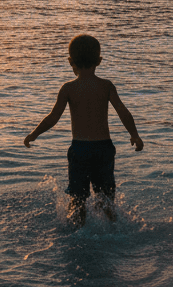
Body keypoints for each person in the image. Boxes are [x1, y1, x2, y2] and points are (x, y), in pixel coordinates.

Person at [24, 34, 144, 227]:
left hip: (80, 150)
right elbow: (123, 111)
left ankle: (78, 233)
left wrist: (34, 134)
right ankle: (114, 229)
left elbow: (53, 118)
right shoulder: (106, 86)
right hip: (104, 149)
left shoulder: (68, 88)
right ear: (99, 61)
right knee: (106, 198)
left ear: (70, 61)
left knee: (77, 200)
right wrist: (134, 135)